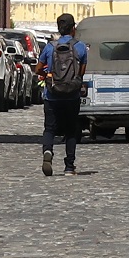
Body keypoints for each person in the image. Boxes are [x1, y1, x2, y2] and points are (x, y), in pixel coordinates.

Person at [40, 12, 87, 177]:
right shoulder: (80, 47)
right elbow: (81, 72)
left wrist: (46, 73)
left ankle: (48, 151)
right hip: (71, 96)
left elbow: (38, 68)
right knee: (71, 130)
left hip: (52, 95)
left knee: (49, 128)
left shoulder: (50, 47)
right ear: (73, 28)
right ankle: (69, 166)